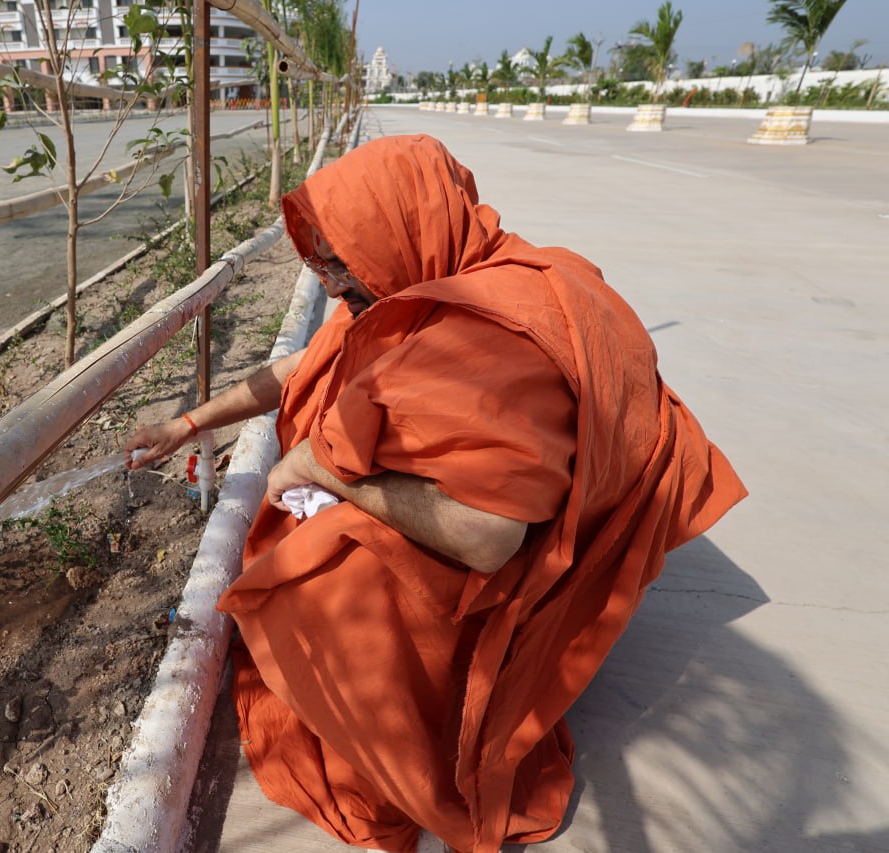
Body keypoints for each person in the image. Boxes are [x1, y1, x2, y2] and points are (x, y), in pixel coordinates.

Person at [124, 134, 746, 853]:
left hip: (516, 552)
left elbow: (489, 537)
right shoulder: (418, 285)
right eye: (319, 259)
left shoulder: (489, 341)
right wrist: (189, 422)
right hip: (515, 512)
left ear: (399, 231)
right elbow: (307, 363)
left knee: (322, 575)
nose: (329, 279)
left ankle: (420, 720)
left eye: (340, 258)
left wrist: (329, 473)